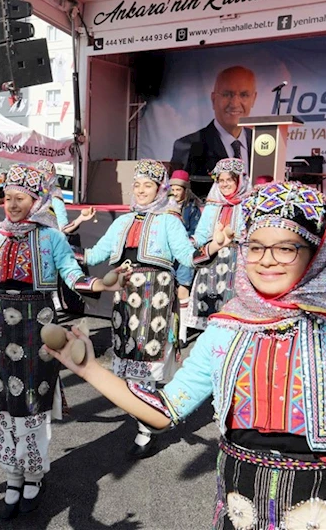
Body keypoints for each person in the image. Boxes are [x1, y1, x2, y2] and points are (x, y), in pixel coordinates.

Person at [47, 181, 326, 530]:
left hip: (323, 501)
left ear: (316, 254)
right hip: (242, 497)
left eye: (285, 248)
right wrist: (89, 369)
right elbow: (164, 411)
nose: (267, 261)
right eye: (255, 246)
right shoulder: (227, 328)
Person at [0, 164, 122, 520]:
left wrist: (100, 285)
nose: (12, 205)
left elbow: (73, 276)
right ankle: (12, 477)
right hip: (2, 332)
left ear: (37, 200)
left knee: (33, 405)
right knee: (4, 406)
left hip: (39, 330)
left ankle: (33, 476)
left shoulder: (52, 238)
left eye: (20, 198)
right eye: (8, 198)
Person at [81, 159, 201, 458]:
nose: (142, 190)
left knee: (147, 361)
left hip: (155, 295)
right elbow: (96, 253)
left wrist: (211, 248)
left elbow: (187, 257)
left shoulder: (169, 221)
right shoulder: (122, 221)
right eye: (138, 185)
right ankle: (145, 417)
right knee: (128, 359)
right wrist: (64, 236)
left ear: (160, 189)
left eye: (148, 185)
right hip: (125, 297)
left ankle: (146, 429)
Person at [170, 66, 256, 197]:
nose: (235, 103)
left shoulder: (259, 141)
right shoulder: (188, 145)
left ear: (253, 99)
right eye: (227, 94)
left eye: (244, 95)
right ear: (213, 99)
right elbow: (178, 193)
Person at [186, 158, 249, 331]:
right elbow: (201, 234)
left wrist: (236, 235)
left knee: (233, 306)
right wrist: (189, 243)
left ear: (239, 181)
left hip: (238, 261)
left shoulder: (248, 205)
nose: (224, 184)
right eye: (221, 180)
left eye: (229, 180)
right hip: (212, 261)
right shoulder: (213, 205)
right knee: (209, 302)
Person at [169, 169, 203, 345]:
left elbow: (197, 233)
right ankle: (169, 329)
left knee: (183, 289)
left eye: (178, 188)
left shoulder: (192, 208)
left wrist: (183, 239)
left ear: (185, 189)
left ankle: (182, 332)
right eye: (172, 188)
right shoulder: (164, 206)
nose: (174, 192)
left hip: (184, 253)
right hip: (167, 253)